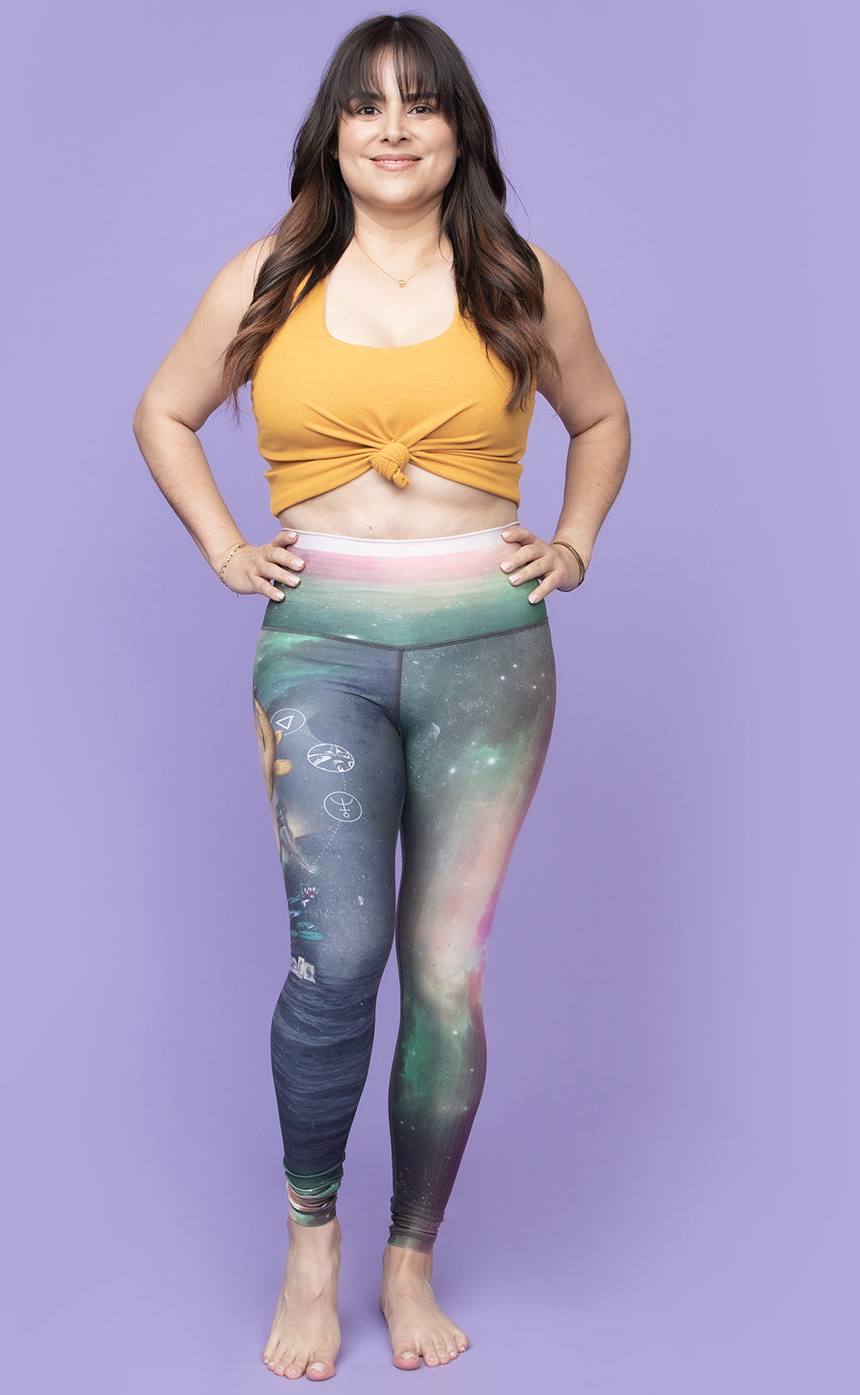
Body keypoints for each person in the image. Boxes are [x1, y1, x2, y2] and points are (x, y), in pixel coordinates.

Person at [133, 12, 629, 1381]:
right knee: (336, 959)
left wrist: (573, 542)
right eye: (367, 106)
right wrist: (225, 547)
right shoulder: (268, 275)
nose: (394, 128)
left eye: (422, 104)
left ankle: (412, 1256)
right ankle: (313, 1244)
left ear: (459, 131)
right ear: (333, 132)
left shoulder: (521, 277)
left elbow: (600, 418)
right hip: (322, 650)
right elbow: (164, 410)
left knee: (447, 975)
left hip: (489, 653)